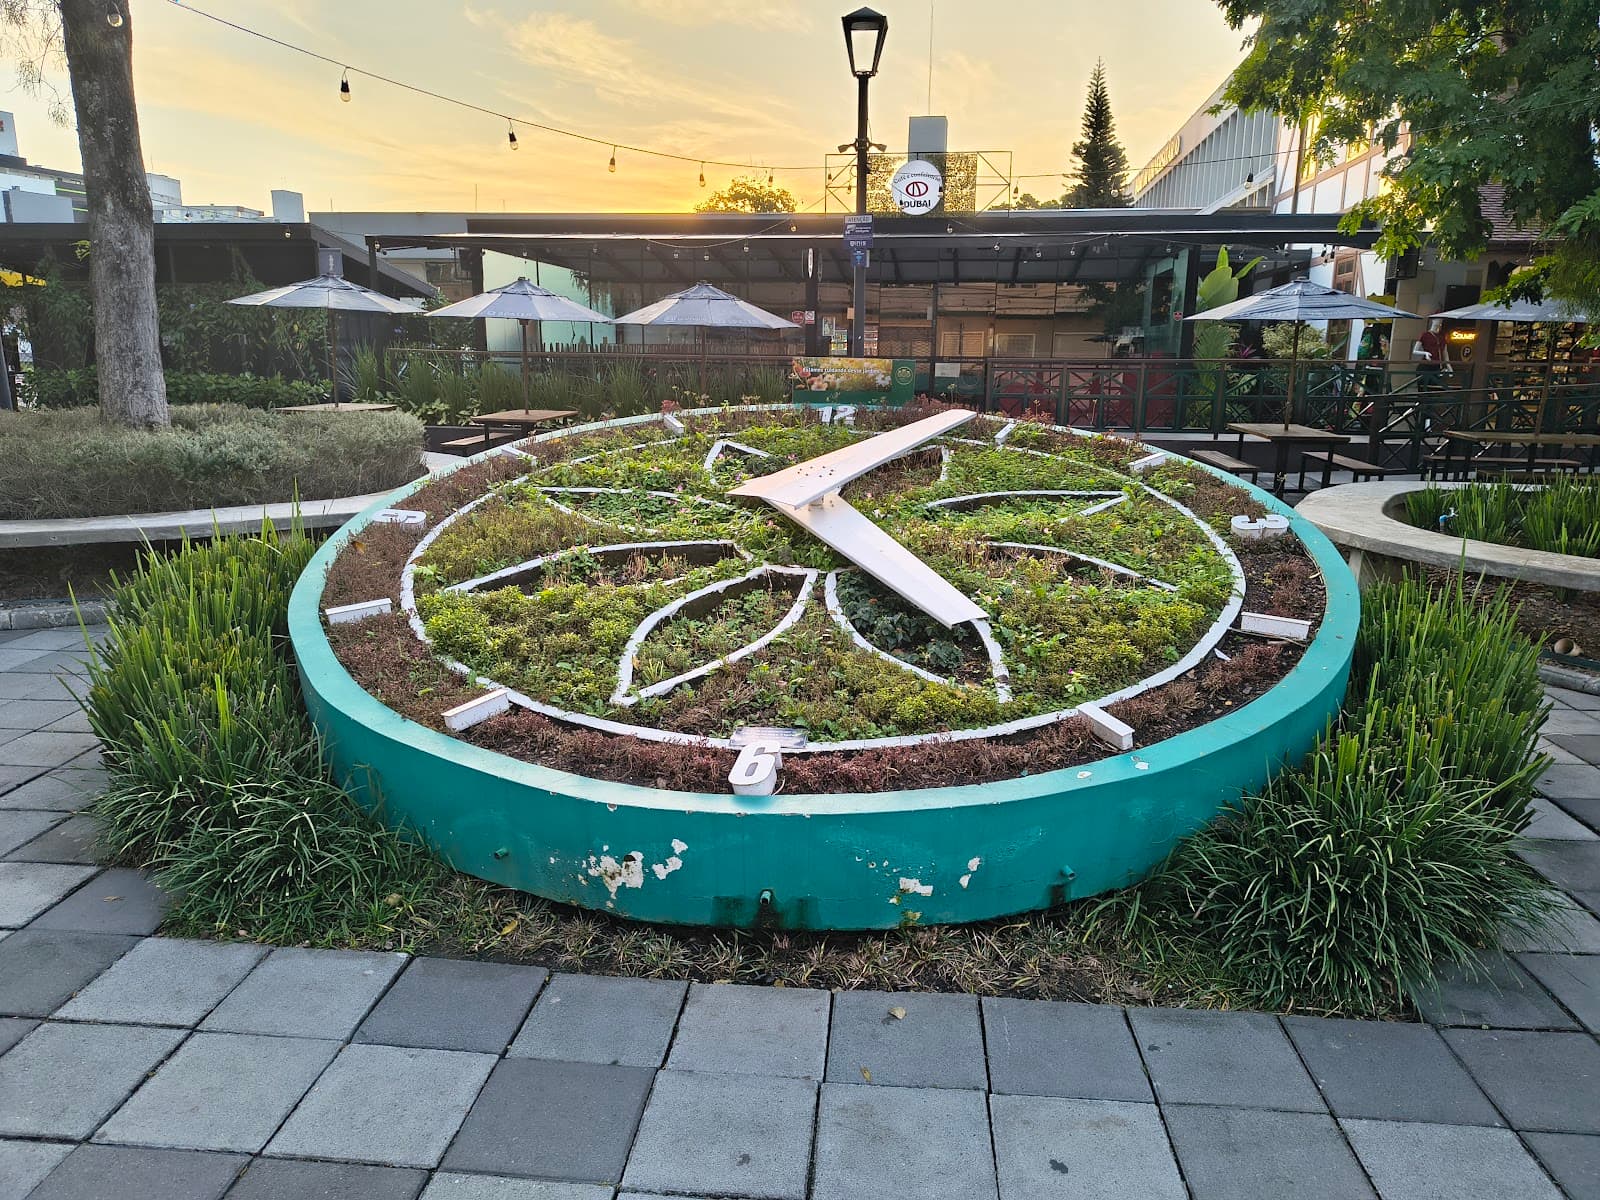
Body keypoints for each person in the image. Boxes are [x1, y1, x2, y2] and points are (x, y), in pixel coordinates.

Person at [1413, 318, 1450, 389]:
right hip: (1425, 366)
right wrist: (1425, 353)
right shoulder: (1425, 335)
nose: (1439, 322)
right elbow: (1415, 351)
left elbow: (1445, 353)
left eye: (1441, 320)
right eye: (1437, 319)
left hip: (1437, 367)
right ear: (1433, 320)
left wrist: (1449, 367)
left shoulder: (1442, 337)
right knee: (1423, 388)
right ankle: (1421, 399)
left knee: (1434, 389)